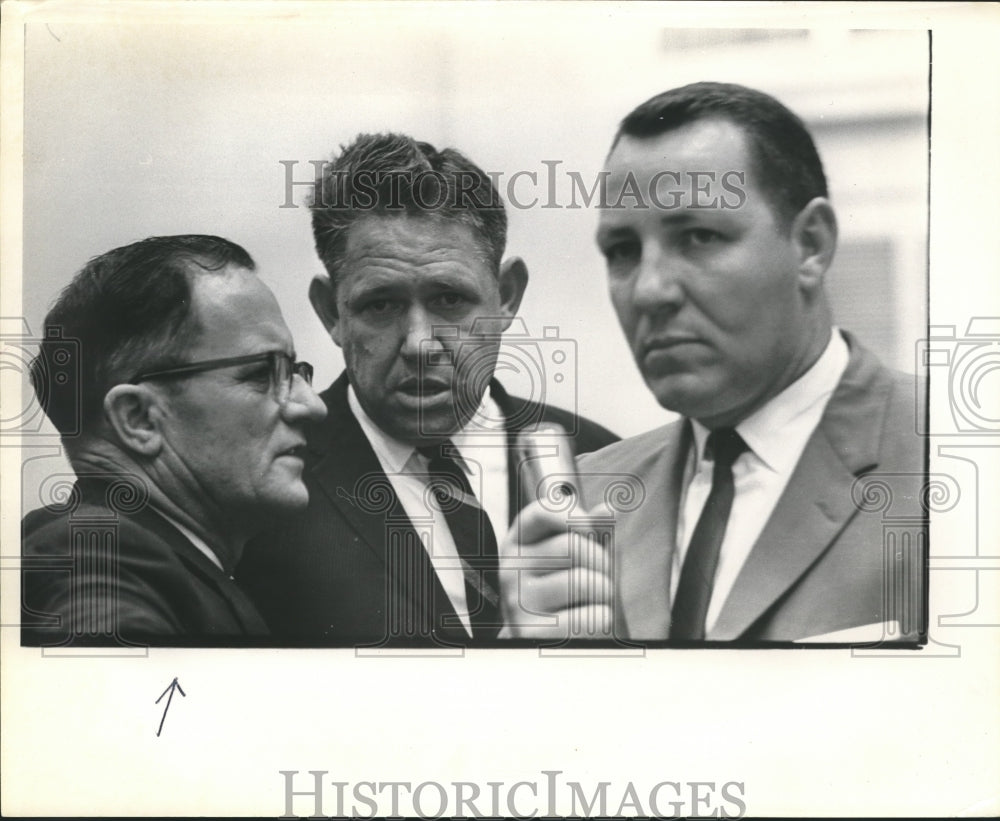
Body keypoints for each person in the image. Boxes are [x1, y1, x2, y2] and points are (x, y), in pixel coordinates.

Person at [500, 82, 926, 645]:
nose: (650, 291)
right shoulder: (589, 502)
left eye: (699, 237)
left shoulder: (954, 457)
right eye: (623, 251)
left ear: (811, 246)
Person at [236, 133, 618, 645]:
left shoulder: (604, 460)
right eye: (380, 305)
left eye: (448, 299)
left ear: (506, 296)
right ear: (331, 312)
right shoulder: (261, 496)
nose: (419, 344)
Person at [21, 235, 327, 646]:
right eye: (260, 373)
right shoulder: (96, 559)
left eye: (295, 372)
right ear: (139, 419)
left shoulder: (168, 558)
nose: (312, 405)